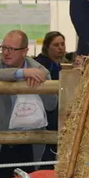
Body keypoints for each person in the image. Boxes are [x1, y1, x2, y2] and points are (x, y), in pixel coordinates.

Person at [0, 30, 57, 178]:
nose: (6, 53)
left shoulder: (40, 70)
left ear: (25, 51)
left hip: (29, 141)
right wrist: (22, 73)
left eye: (12, 49)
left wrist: (40, 86)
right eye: (4, 48)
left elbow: (51, 105)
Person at [35, 31, 67, 165]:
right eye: (56, 45)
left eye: (62, 44)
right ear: (47, 47)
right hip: (45, 113)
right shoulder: (43, 65)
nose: (60, 48)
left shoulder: (57, 64)